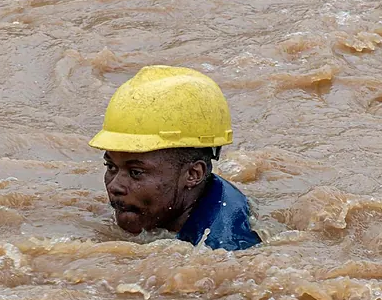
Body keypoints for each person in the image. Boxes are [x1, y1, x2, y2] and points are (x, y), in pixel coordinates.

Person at [89, 65, 261, 251]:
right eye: (111, 166)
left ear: (193, 174)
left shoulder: (221, 249)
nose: (115, 186)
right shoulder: (184, 200)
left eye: (136, 172)